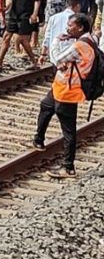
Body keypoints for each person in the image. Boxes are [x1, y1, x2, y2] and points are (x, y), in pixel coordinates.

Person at [34, 12, 96, 178]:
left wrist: (56, 41)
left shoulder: (79, 47)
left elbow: (56, 58)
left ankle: (68, 167)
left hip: (68, 91)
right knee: (46, 106)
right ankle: (38, 140)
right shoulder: (90, 39)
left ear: (80, 27)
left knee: (68, 130)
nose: (68, 28)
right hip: (60, 87)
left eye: (71, 26)